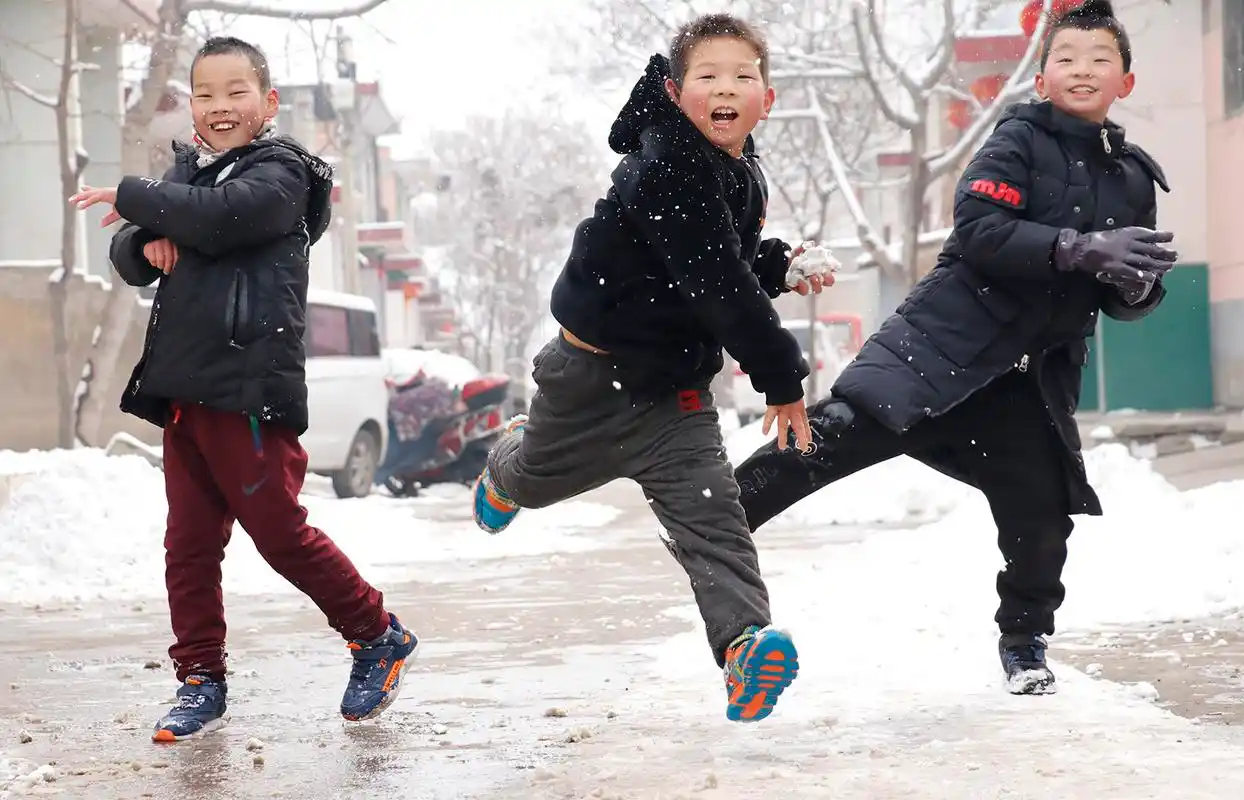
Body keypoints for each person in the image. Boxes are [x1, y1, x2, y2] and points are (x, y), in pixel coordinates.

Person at [732, 0, 1177, 695]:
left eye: (1099, 59)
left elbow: (1126, 294)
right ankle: (716, 518)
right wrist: (1078, 246)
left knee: (1042, 520)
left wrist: (1133, 288)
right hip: (940, 345)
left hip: (1026, 382)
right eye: (1065, 58)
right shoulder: (1017, 141)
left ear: (1125, 80)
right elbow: (978, 230)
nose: (1081, 70)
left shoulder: (1132, 179)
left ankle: (1024, 646)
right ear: (1040, 77)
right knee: (830, 439)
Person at [471, 14, 836, 722]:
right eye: (706, 77)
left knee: (714, 519)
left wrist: (782, 264)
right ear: (673, 92)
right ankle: (507, 465)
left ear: (769, 96)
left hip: (676, 397)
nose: (724, 89)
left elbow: (721, 262)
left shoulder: (733, 167)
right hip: (588, 379)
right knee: (534, 481)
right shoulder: (665, 164)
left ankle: (743, 648)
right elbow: (714, 281)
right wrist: (782, 378)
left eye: (742, 77)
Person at [69, 37, 417, 741]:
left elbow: (229, 217)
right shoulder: (190, 177)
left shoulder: (283, 173)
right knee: (188, 545)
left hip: (248, 388)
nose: (220, 107)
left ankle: (375, 633)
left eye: (236, 92)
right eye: (205, 94)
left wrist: (150, 204)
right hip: (183, 388)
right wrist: (142, 240)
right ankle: (200, 679)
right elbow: (130, 253)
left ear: (268, 102)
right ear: (191, 104)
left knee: (278, 532)